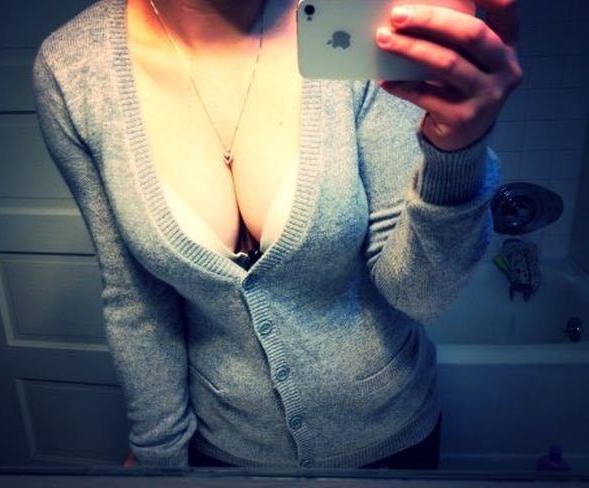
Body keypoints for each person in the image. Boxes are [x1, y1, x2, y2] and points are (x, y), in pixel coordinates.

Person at [32, 0, 521, 469]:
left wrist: (456, 154)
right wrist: (159, 456)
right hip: (223, 449)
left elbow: (422, 296)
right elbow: (135, 298)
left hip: (391, 440)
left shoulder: (356, 26)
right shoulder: (73, 68)